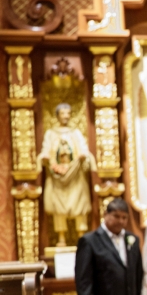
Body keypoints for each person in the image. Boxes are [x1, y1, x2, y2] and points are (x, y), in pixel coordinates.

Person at [37, 103, 96, 246]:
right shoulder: (51, 133)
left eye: (68, 113)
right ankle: (61, 237)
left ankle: (81, 236)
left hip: (75, 176)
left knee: (79, 206)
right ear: (57, 116)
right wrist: (45, 158)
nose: (65, 116)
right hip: (57, 176)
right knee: (59, 208)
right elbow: (46, 150)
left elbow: (83, 148)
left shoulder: (75, 133)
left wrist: (83, 156)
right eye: (62, 113)